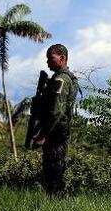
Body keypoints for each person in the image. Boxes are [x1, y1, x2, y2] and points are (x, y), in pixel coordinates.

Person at [32, 44, 78, 195]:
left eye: (51, 58)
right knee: (53, 169)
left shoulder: (61, 79)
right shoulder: (62, 78)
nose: (48, 62)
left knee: (54, 171)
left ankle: (55, 204)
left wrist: (43, 134)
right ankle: (53, 203)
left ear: (62, 58)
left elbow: (57, 112)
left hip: (55, 132)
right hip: (56, 130)